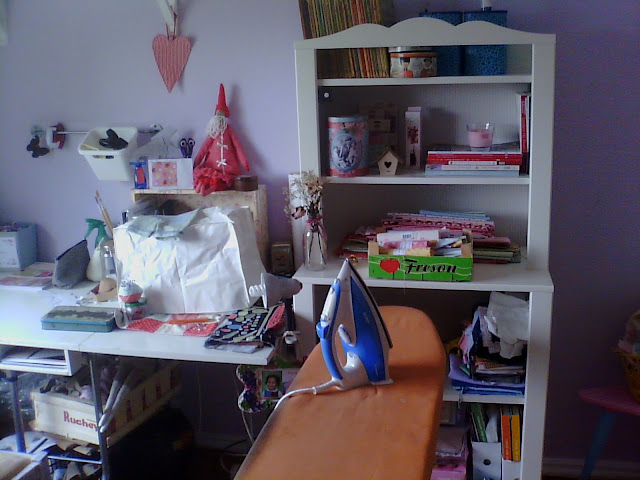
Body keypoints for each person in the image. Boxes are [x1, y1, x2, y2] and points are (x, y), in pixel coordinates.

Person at [193, 83, 250, 195]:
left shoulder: (229, 131)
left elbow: (238, 147)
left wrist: (245, 163)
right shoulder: (213, 133)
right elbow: (204, 149)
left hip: (228, 169)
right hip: (212, 167)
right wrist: (196, 162)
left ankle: (207, 190)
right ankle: (201, 188)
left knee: (221, 183)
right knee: (206, 178)